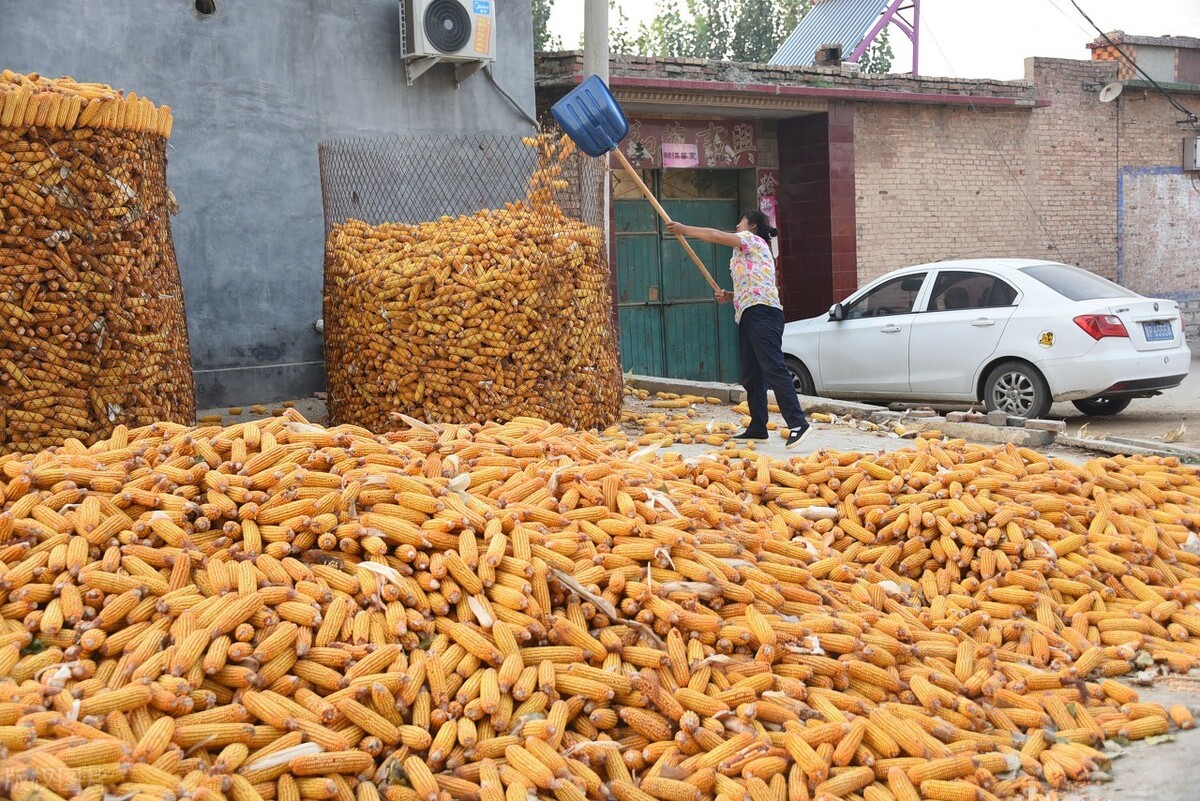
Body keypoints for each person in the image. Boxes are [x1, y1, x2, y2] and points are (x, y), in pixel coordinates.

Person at [665, 210, 812, 450]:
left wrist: (685, 230)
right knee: (751, 374)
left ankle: (798, 424)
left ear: (752, 227)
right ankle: (758, 426)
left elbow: (715, 235)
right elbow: (755, 283)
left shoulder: (753, 241)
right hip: (749, 312)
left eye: (740, 222)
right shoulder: (745, 253)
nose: (736, 225)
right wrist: (731, 295)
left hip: (763, 312)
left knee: (774, 368)